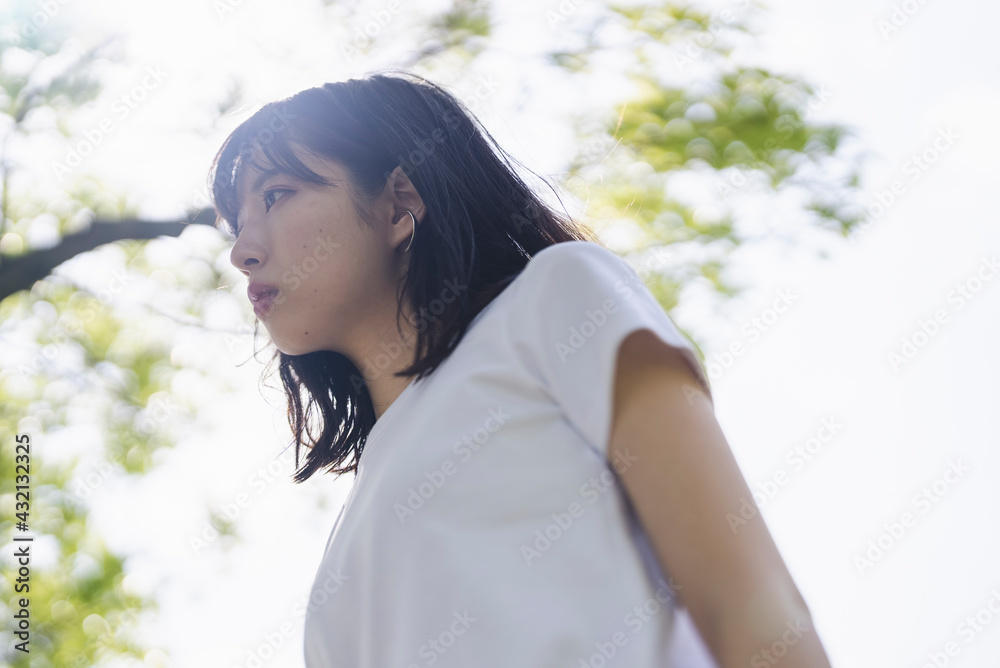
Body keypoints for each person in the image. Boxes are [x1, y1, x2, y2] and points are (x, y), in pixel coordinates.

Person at [208, 70, 833, 667]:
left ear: (400, 203)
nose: (242, 251)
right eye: (238, 222)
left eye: (276, 196)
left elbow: (749, 605)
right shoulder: (342, 559)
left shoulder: (558, 297)